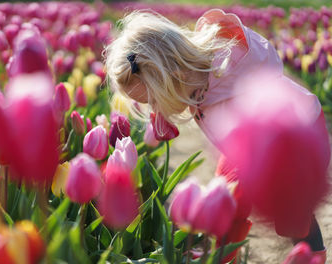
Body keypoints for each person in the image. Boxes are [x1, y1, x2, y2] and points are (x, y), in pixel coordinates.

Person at [104, 8, 329, 262]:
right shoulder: (189, 85)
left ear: (172, 76)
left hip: (292, 137)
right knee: (226, 196)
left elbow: (266, 82)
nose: (154, 110)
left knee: (291, 211)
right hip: (245, 146)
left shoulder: (230, 70)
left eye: (154, 101)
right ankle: (223, 251)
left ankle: (312, 254)